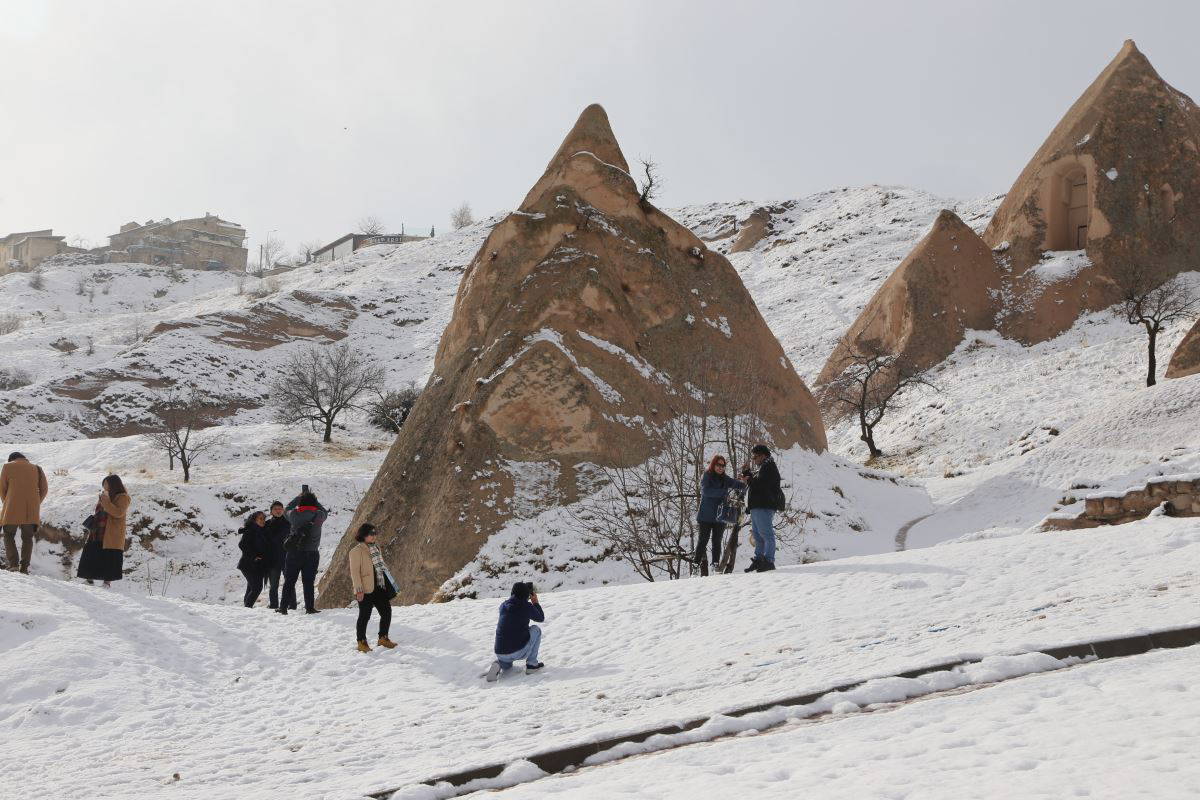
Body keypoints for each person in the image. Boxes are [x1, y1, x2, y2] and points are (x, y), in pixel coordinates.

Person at [349, 523, 397, 653]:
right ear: (363, 535)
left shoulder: (376, 547)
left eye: (375, 533)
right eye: (371, 533)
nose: (374, 536)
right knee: (364, 616)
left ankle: (383, 638)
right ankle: (361, 642)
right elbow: (355, 572)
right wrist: (359, 590)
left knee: (386, 612)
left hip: (380, 586)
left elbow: (381, 566)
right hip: (365, 589)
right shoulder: (356, 551)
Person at [76, 475, 130, 587]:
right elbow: (99, 511)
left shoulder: (123, 497)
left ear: (113, 484)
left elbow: (118, 513)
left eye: (106, 484)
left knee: (109, 557)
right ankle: (89, 580)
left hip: (112, 533)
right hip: (98, 530)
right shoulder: (104, 496)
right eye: (103, 484)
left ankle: (107, 583)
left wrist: (106, 502)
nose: (104, 486)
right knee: (91, 553)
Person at [278, 490, 326, 615]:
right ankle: (309, 608)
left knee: (289, 581)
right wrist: (316, 502)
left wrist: (298, 498)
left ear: (300, 502)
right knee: (308, 582)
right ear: (314, 503)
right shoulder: (320, 515)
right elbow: (324, 511)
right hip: (312, 553)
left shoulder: (294, 515)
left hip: (294, 553)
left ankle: (283, 607)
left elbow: (286, 509)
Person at [485, 582, 545, 681]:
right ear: (526, 594)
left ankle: (499, 664)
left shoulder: (503, 606)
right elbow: (541, 618)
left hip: (500, 652)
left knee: (507, 664)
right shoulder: (526, 606)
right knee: (536, 629)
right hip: (518, 651)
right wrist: (535, 602)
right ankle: (532, 665)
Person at [0, 452, 48, 574]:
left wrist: (7, 503)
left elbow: (2, 489)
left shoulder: (7, 467)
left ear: (11, 459)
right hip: (30, 510)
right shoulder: (37, 469)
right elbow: (44, 489)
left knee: (8, 535)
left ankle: (13, 565)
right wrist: (36, 503)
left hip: (11, 509)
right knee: (27, 538)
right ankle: (24, 568)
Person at [695, 454, 745, 571]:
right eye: (718, 465)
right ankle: (695, 566)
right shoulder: (707, 475)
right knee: (703, 541)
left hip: (720, 516)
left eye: (723, 466)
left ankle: (715, 564)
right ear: (713, 464)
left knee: (717, 541)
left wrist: (746, 482)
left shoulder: (725, 478)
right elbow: (706, 491)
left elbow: (736, 484)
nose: (720, 467)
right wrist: (723, 493)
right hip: (705, 516)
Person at [742, 444, 783, 573]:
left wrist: (749, 479)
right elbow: (756, 484)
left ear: (763, 456)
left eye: (755, 457)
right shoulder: (764, 468)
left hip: (764, 506)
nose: (754, 459)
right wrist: (747, 474)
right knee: (758, 535)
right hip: (757, 507)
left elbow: (761, 486)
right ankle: (759, 560)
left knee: (766, 534)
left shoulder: (769, 467)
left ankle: (769, 561)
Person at [236, 511, 270, 607]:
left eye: (264, 519)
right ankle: (248, 607)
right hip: (248, 564)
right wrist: (254, 556)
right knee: (257, 588)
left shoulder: (261, 530)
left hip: (257, 565)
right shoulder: (251, 530)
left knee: (251, 588)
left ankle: (246, 609)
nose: (263, 521)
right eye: (260, 519)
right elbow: (242, 545)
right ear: (254, 520)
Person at [262, 501, 290, 609]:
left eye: (280, 509)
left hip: (287, 558)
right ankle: (274, 605)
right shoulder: (267, 524)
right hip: (272, 559)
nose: (278, 511)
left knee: (289, 583)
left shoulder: (289, 522)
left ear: (283, 510)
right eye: (275, 509)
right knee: (273, 585)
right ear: (271, 511)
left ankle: (292, 605)